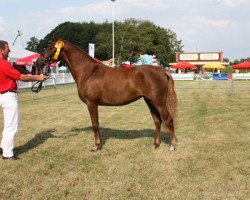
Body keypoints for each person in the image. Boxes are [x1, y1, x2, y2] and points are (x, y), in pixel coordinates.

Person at [0, 40, 47, 160]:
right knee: (12, 125)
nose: (9, 50)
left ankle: (3, 147)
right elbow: (21, 77)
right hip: (8, 96)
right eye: (7, 48)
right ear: (1, 51)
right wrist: (39, 77)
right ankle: (7, 154)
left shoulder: (4, 63)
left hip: (5, 95)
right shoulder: (3, 63)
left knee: (10, 124)